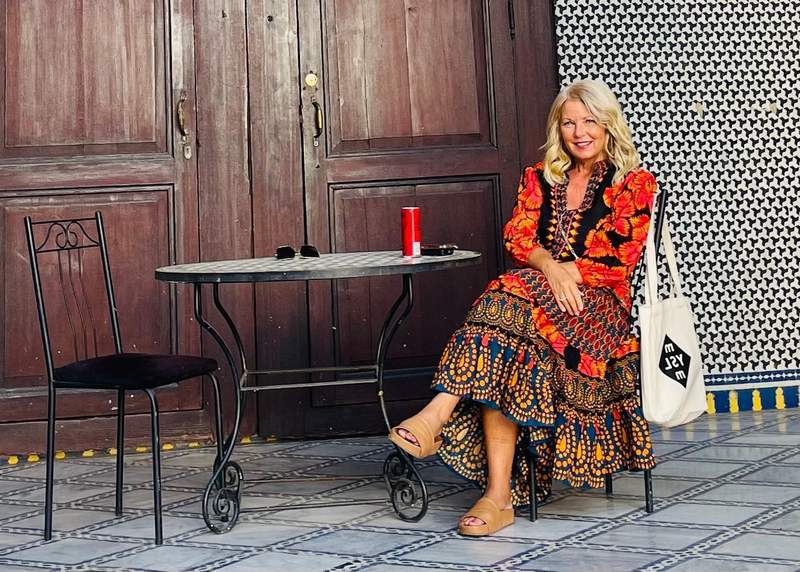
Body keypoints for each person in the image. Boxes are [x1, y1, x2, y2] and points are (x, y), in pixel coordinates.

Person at [389, 79, 657, 536]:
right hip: (537, 299)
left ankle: (441, 419)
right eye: (569, 123)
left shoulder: (633, 182)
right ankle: (497, 497)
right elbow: (517, 236)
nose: (580, 132)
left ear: (608, 124)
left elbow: (619, 256)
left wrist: (562, 274)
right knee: (510, 343)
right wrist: (550, 268)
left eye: (590, 121)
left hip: (599, 307)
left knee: (506, 291)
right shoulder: (540, 177)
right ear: (558, 129)